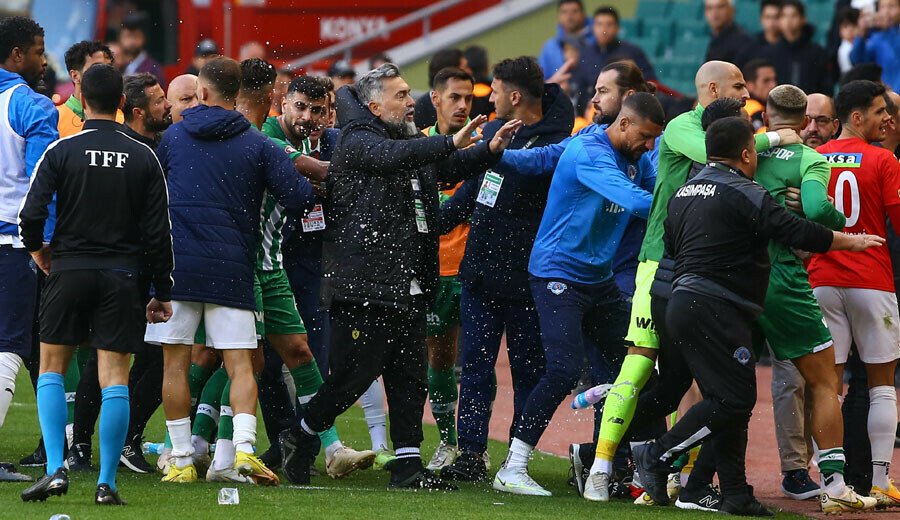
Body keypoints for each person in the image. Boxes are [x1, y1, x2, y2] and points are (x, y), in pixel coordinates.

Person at [279, 63, 521, 489]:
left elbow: (442, 169)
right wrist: (448, 141)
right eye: (402, 95)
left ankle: (408, 466)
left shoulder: (406, 139)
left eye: (410, 93)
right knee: (352, 378)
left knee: (410, 378)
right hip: (364, 284)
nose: (412, 102)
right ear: (375, 106)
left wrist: (489, 150)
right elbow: (394, 159)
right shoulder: (357, 139)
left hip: (407, 282)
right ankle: (299, 435)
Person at [634, 116, 883, 515]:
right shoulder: (745, 192)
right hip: (717, 307)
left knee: (725, 397)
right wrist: (850, 242)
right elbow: (797, 231)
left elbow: (673, 249)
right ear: (748, 154)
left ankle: (734, 492)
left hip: (680, 301)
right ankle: (657, 455)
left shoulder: (684, 191)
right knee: (734, 400)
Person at [590, 61, 799, 497]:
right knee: (645, 365)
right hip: (659, 262)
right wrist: (779, 137)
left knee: (688, 381)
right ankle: (602, 462)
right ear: (713, 88)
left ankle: (684, 479)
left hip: (700, 268)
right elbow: (717, 154)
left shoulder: (735, 133)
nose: (747, 93)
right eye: (738, 85)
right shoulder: (684, 125)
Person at [143, 57, 314, 485]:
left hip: (179, 270)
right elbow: (299, 197)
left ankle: (181, 459)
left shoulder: (174, 137)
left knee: (175, 366)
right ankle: (243, 451)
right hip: (234, 269)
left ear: (201, 92)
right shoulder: (259, 144)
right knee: (241, 365)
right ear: (237, 95)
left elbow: (150, 199)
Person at [492, 92, 663, 497]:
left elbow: (656, 190)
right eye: (645, 137)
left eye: (655, 139)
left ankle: (635, 469)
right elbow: (637, 201)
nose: (649, 146)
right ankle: (512, 467)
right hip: (558, 275)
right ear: (624, 123)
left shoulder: (637, 158)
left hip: (599, 280)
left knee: (640, 369)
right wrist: (691, 205)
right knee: (563, 369)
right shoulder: (590, 152)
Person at [18, 63, 174, 505]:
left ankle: (55, 469)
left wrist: (39, 251)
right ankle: (106, 484)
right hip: (121, 277)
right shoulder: (144, 156)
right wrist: (161, 291)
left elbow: (30, 214)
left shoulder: (62, 149)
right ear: (122, 102)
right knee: (115, 378)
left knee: (51, 368)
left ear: (82, 99)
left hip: (68, 270)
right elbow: (159, 233)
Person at [237, 64, 377, 481]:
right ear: (282, 103)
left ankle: (313, 447)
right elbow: (310, 171)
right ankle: (215, 447)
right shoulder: (266, 136)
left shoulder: (332, 141)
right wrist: (329, 176)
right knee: (248, 361)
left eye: (318, 110)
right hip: (260, 262)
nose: (308, 117)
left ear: (329, 113)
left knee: (307, 356)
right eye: (300, 107)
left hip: (309, 267)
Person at [439, 58, 574, 482]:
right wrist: (430, 224)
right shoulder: (496, 134)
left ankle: (516, 459)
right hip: (479, 274)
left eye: (494, 91)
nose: (489, 98)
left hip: (528, 280)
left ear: (514, 97)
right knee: (475, 368)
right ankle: (471, 454)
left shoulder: (560, 146)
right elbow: (472, 191)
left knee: (528, 373)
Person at [754, 85, 880, 512]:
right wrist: (830, 215)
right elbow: (819, 209)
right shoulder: (811, 160)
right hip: (785, 278)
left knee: (723, 383)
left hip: (736, 276)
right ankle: (834, 483)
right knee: (825, 379)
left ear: (766, 116)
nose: (814, 127)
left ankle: (680, 471)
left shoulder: (748, 153)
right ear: (804, 119)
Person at [810, 79, 900, 507]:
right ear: (857, 117)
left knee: (827, 386)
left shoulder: (815, 157)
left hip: (822, 279)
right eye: (881, 111)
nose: (888, 119)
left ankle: (832, 486)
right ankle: (880, 481)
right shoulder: (884, 159)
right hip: (871, 281)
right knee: (882, 385)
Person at [0, 15, 58, 483]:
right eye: (38, 51)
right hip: (14, 245)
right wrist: (43, 243)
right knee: (8, 347)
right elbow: (44, 183)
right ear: (17, 54)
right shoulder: (29, 104)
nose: (43, 60)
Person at [419, 66, 478, 472]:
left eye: (468, 98)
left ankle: (476, 447)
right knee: (439, 358)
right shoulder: (417, 145)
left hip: (474, 269)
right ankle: (448, 442)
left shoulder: (485, 146)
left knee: (478, 359)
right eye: (454, 97)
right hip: (435, 270)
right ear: (435, 98)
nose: (462, 105)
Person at [572, 7, 656, 114]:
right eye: (599, 24)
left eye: (609, 24)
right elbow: (579, 88)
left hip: (627, 110)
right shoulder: (585, 54)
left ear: (617, 27)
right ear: (593, 27)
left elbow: (649, 82)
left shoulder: (633, 52)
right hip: (591, 111)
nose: (604, 30)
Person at [761, 0, 833, 95]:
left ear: (803, 19)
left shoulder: (817, 52)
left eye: (793, 16)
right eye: (784, 16)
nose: (788, 21)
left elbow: (826, 87)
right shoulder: (769, 53)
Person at [58, 41, 124, 137]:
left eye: (109, 68)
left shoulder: (123, 119)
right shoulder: (55, 119)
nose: (106, 74)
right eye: (96, 68)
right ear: (75, 76)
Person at [414, 50, 471, 130]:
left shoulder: (478, 102)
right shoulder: (417, 115)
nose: (470, 71)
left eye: (468, 99)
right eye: (454, 98)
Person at [850, 0, 900, 91]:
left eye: (891, 6)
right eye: (882, 7)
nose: (886, 11)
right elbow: (858, 61)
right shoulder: (877, 38)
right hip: (888, 94)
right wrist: (861, 34)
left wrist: (890, 29)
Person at [539, 0, 594, 80]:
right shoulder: (549, 47)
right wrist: (554, 82)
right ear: (558, 16)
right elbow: (542, 81)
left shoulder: (597, 39)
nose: (569, 16)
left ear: (583, 15)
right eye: (564, 12)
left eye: (574, 11)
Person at [121, 73, 172, 147]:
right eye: (160, 101)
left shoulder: (167, 142)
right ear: (138, 112)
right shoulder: (121, 148)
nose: (169, 104)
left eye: (164, 97)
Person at [119, 13, 166, 89]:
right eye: (127, 36)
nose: (131, 42)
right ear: (120, 38)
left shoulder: (152, 69)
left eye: (136, 36)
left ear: (144, 38)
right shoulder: (118, 65)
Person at [704, 0, 754, 66]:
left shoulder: (743, 41)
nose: (715, 13)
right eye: (710, 8)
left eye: (720, 7)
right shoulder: (711, 38)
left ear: (732, 10)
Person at [743, 59, 777, 131]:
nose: (773, 85)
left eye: (774, 79)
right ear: (750, 85)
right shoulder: (751, 112)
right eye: (766, 81)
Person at [837, 8, 862, 74]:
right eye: (845, 26)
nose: (850, 30)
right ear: (840, 30)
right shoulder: (843, 51)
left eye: (854, 25)